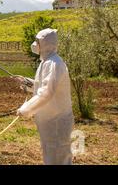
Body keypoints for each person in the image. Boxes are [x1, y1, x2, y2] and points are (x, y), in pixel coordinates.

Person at [15, 28, 74, 165]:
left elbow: (46, 93)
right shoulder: (46, 62)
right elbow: (42, 85)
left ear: (45, 43)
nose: (34, 44)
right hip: (51, 123)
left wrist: (26, 110)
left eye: (37, 41)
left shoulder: (54, 64)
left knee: (58, 159)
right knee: (53, 158)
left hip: (56, 123)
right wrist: (26, 82)